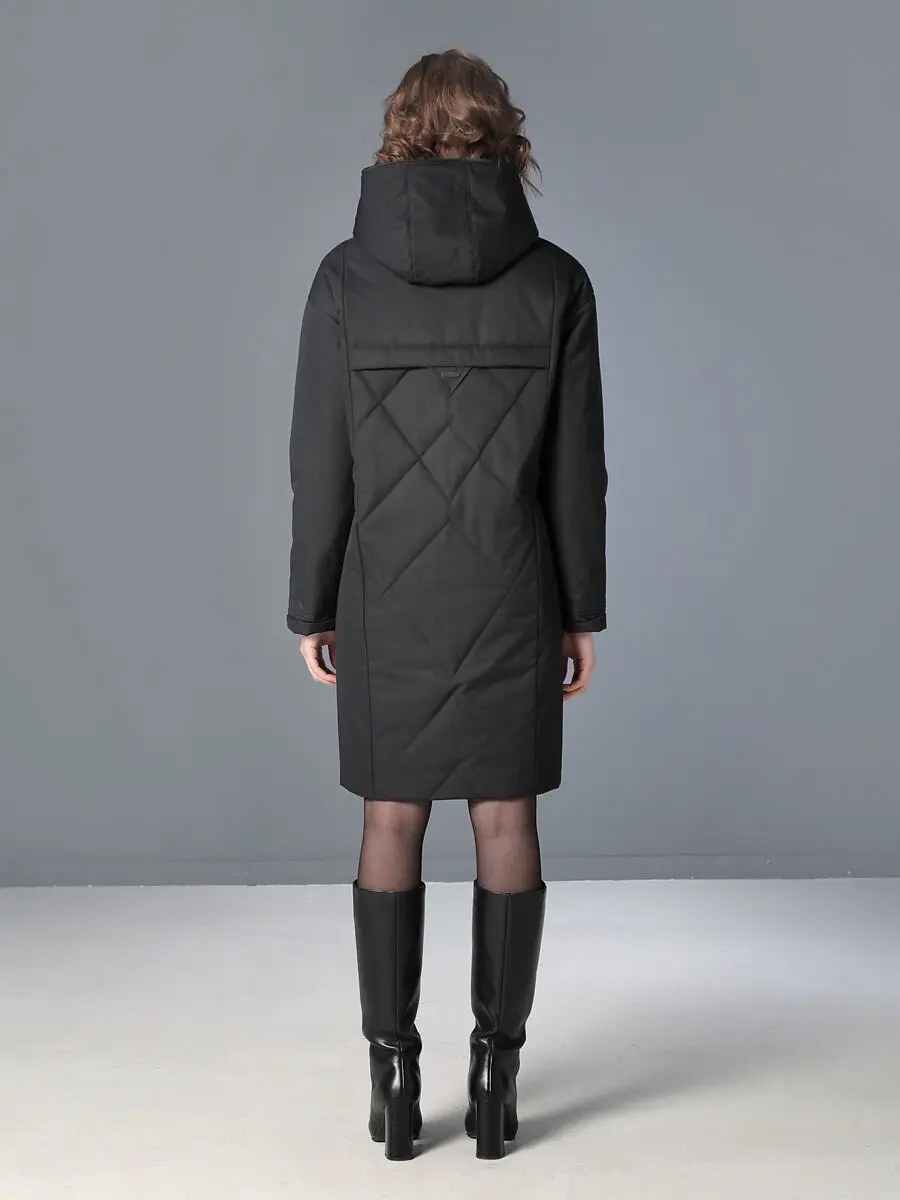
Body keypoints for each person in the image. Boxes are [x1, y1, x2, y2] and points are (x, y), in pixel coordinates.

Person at [287, 48, 607, 1161]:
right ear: (503, 134)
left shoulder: (343, 279)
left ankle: (392, 1078)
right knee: (506, 821)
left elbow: (319, 462)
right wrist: (580, 611)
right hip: (514, 588)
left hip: (385, 591)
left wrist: (312, 605)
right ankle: (496, 1078)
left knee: (392, 819)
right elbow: (577, 470)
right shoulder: (557, 282)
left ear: (400, 132)